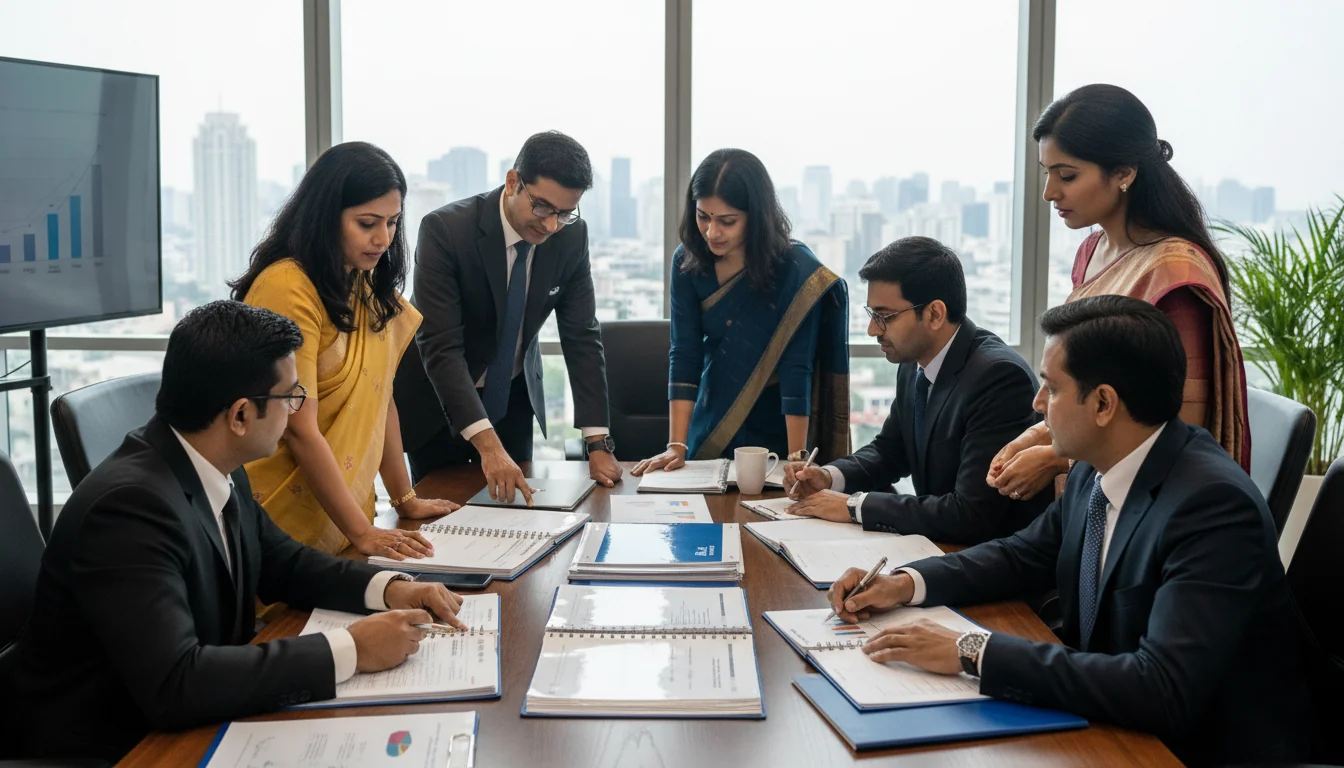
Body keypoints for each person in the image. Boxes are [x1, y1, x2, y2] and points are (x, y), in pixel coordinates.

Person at [826, 296, 1310, 766]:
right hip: (1109, 720)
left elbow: (1162, 687)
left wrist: (970, 650)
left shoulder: (1212, 507)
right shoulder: (1097, 466)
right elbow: (1023, 554)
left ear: (1103, 404)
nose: (1038, 404)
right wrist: (906, 583)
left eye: (1052, 389)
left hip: (1192, 749)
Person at [3, 302, 469, 762]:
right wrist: (352, 649)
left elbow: (283, 562)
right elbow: (177, 682)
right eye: (289, 396)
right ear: (241, 416)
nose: (296, 410)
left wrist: (391, 589)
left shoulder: (214, 461)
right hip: (114, 743)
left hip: (182, 715)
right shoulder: (128, 510)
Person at [988, 84, 1251, 505]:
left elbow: (1178, 434)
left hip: (1148, 514)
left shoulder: (1174, 275)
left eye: (1067, 175)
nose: (1050, 193)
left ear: (1125, 174)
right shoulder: (1091, 252)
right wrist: (1036, 435)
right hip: (1089, 498)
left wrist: (1056, 457)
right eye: (1047, 173)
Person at [231, 142, 455, 561]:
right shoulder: (288, 287)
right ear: (325, 217)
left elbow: (379, 400)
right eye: (366, 223)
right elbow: (298, 427)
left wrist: (404, 499)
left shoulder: (362, 284)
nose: (382, 238)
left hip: (347, 522)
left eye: (392, 223)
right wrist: (363, 531)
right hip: (281, 520)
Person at [394, 131, 621, 501]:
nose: (550, 225)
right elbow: (441, 347)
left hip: (510, 400)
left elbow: (581, 336)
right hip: (440, 402)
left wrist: (597, 441)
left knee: (514, 513)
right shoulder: (446, 231)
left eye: (564, 213)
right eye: (543, 207)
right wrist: (489, 447)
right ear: (513, 182)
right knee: (447, 519)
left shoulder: (571, 237)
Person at [783, 237, 1046, 544]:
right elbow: (891, 449)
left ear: (934, 314)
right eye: (872, 315)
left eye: (885, 316)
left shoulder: (999, 378)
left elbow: (971, 514)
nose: (873, 330)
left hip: (990, 561)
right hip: (940, 544)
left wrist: (854, 506)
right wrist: (829, 476)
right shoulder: (914, 361)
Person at [631, 148, 849, 475]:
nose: (712, 232)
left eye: (727, 221)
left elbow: (796, 367)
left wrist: (796, 459)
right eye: (703, 216)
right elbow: (685, 352)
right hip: (713, 413)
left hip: (777, 422)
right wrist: (676, 445)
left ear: (756, 216)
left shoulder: (795, 270)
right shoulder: (688, 261)